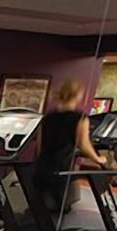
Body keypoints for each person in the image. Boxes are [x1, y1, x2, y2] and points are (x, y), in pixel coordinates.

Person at [33, 79, 110, 215]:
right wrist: (99, 159)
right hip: (61, 169)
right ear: (77, 95)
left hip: (42, 168)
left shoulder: (47, 117)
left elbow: (39, 146)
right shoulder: (80, 118)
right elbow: (84, 145)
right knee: (62, 209)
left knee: (42, 208)